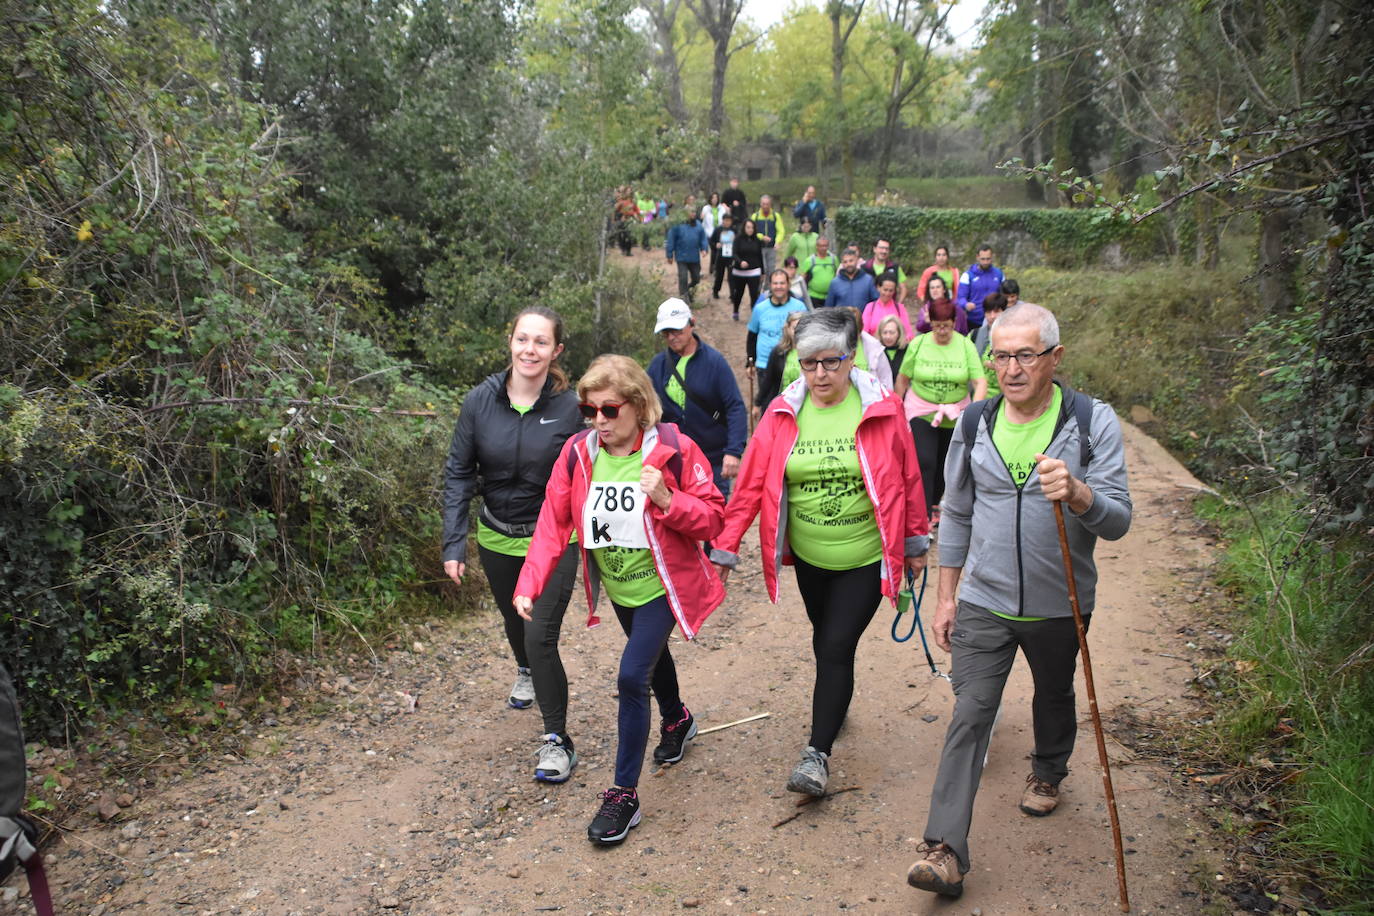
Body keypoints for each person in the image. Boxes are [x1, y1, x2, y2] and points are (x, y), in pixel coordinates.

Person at [905, 303, 1132, 899]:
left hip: (1062, 602)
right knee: (971, 713)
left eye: (1025, 355)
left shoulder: (1090, 421)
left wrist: (1080, 494)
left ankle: (1050, 768)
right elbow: (955, 511)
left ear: (1054, 359)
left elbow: (1119, 521)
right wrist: (947, 595)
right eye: (1000, 356)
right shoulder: (976, 421)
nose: (1011, 368)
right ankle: (944, 848)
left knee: (1054, 692)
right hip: (984, 599)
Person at [712, 308, 929, 797]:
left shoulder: (883, 407)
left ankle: (817, 755)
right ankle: (836, 699)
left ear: (853, 359)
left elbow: (909, 477)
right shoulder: (782, 412)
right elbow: (747, 488)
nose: (820, 375)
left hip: (865, 557)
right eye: (809, 364)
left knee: (835, 646)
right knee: (825, 640)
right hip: (810, 559)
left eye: (831, 362)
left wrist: (915, 542)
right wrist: (725, 549)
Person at [513, 356, 726, 846]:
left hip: (661, 585)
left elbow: (714, 517)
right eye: (590, 411)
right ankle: (678, 717)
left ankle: (623, 795)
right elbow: (552, 521)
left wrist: (670, 501)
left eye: (610, 410)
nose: (599, 421)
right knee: (650, 659)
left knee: (632, 676)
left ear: (638, 404)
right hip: (620, 589)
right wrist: (530, 583)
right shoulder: (578, 453)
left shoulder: (674, 448)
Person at [442, 307, 584, 780]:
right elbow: (459, 473)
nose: (530, 349)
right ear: (510, 342)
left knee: (539, 635)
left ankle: (556, 741)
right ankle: (524, 669)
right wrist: (453, 543)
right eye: (523, 339)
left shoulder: (571, 407)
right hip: (496, 535)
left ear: (556, 351)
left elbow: (590, 470)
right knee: (512, 619)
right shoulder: (479, 402)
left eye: (541, 342)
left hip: (553, 538)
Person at [895, 299, 987, 524]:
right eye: (937, 325)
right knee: (925, 461)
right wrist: (896, 410)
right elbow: (903, 379)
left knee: (946, 464)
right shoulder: (919, 344)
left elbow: (980, 381)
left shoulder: (965, 346)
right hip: (922, 410)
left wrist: (974, 412)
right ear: (931, 323)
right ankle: (923, 514)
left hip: (955, 413)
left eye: (946, 325)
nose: (942, 331)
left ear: (955, 322)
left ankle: (935, 502)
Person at [647, 299, 748, 499]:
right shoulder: (658, 365)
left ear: (692, 323)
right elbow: (644, 407)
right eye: (667, 333)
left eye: (677, 330)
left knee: (714, 520)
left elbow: (735, 406)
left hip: (712, 457)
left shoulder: (714, 362)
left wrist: (733, 451)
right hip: (672, 459)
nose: (672, 337)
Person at [747, 270, 809, 384]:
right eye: (775, 283)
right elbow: (752, 336)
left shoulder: (800, 307)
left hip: (792, 363)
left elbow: (807, 335)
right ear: (770, 285)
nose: (778, 287)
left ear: (788, 285)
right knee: (767, 400)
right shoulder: (760, 308)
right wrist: (750, 362)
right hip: (764, 364)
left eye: (782, 283)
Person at [753, 310, 802, 421]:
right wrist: (758, 403)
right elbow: (768, 380)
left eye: (802, 329)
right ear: (788, 328)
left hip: (803, 406)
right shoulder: (778, 352)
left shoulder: (813, 354)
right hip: (781, 405)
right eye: (795, 328)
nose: (798, 332)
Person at [956, 246, 1005, 334]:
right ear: (977, 257)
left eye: (988, 259)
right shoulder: (967, 275)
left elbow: (1005, 295)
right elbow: (960, 298)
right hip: (973, 321)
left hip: (995, 320)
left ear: (992, 257)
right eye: (983, 259)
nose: (985, 262)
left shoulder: (999, 274)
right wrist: (966, 304)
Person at [665, 207, 709, 301]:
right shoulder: (677, 225)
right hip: (681, 257)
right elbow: (671, 239)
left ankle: (689, 292)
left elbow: (703, 238)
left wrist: (704, 248)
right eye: (690, 212)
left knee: (696, 278)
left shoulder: (698, 225)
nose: (693, 214)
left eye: (694, 211)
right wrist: (669, 254)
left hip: (694, 257)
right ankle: (684, 299)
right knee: (683, 278)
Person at [728, 219, 764, 321]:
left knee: (754, 294)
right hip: (740, 272)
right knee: (738, 293)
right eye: (748, 227)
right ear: (744, 228)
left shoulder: (757, 240)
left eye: (752, 227)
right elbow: (734, 254)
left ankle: (754, 314)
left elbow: (760, 256)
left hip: (754, 271)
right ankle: (735, 310)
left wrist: (763, 271)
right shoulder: (738, 239)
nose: (750, 230)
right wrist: (740, 262)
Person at [973, 293, 1008, 399]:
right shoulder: (975, 335)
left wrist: (996, 366)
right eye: (988, 312)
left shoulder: (1014, 338)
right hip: (979, 400)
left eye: (997, 311)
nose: (992, 316)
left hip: (1007, 399)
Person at [824, 247, 879, 311]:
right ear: (842, 263)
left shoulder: (868, 280)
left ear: (857, 260)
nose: (848, 264)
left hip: (863, 319)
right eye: (845, 262)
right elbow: (828, 307)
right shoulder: (835, 282)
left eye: (851, 261)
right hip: (842, 319)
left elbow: (876, 303)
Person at [862, 276, 914, 341]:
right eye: (885, 290)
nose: (887, 293)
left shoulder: (900, 308)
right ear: (878, 288)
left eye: (891, 290)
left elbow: (908, 332)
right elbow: (864, 332)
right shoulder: (870, 307)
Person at [863, 239, 909, 304]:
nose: (884, 251)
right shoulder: (864, 268)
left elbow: (903, 288)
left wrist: (898, 305)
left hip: (890, 307)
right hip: (869, 308)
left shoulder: (895, 267)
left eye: (887, 249)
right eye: (881, 248)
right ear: (874, 249)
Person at [751, 195, 786, 276]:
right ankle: (759, 287)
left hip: (771, 247)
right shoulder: (755, 216)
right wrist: (761, 237)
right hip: (759, 247)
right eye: (764, 204)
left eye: (767, 204)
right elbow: (751, 231)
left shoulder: (775, 216)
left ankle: (769, 287)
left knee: (771, 270)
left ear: (770, 205)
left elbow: (781, 230)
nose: (765, 206)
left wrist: (778, 242)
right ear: (760, 204)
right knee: (761, 269)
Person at [803, 237, 839, 310]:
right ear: (817, 246)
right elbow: (803, 278)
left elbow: (838, 274)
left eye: (826, 246)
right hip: (813, 296)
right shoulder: (809, 260)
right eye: (821, 246)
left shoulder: (833, 259)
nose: (824, 248)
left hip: (830, 296)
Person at [708, 211, 736, 300]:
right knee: (719, 275)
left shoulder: (734, 230)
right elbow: (711, 241)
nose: (727, 222)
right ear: (722, 220)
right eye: (725, 220)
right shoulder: (718, 229)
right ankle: (715, 291)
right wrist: (716, 245)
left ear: (731, 221)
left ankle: (733, 294)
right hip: (720, 256)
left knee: (731, 276)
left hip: (731, 256)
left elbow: (739, 242)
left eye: (729, 220)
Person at [876, 314, 908, 385]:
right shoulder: (875, 351)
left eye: (892, 333)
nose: (888, 336)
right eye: (885, 333)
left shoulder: (907, 350)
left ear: (899, 333)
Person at [701, 191, 727, 266]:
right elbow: (703, 221)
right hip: (709, 232)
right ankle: (713, 266)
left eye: (716, 198)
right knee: (713, 249)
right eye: (713, 198)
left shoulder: (721, 208)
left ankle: (717, 266)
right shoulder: (706, 208)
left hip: (720, 232)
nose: (714, 199)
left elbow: (725, 219)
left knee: (719, 250)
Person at [613, 187, 640, 256]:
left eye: (630, 191)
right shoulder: (621, 201)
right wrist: (615, 219)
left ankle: (628, 251)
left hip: (630, 220)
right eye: (628, 191)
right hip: (622, 220)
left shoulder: (633, 202)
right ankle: (623, 249)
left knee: (629, 236)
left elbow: (636, 210)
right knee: (622, 235)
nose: (629, 193)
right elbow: (615, 210)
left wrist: (637, 216)